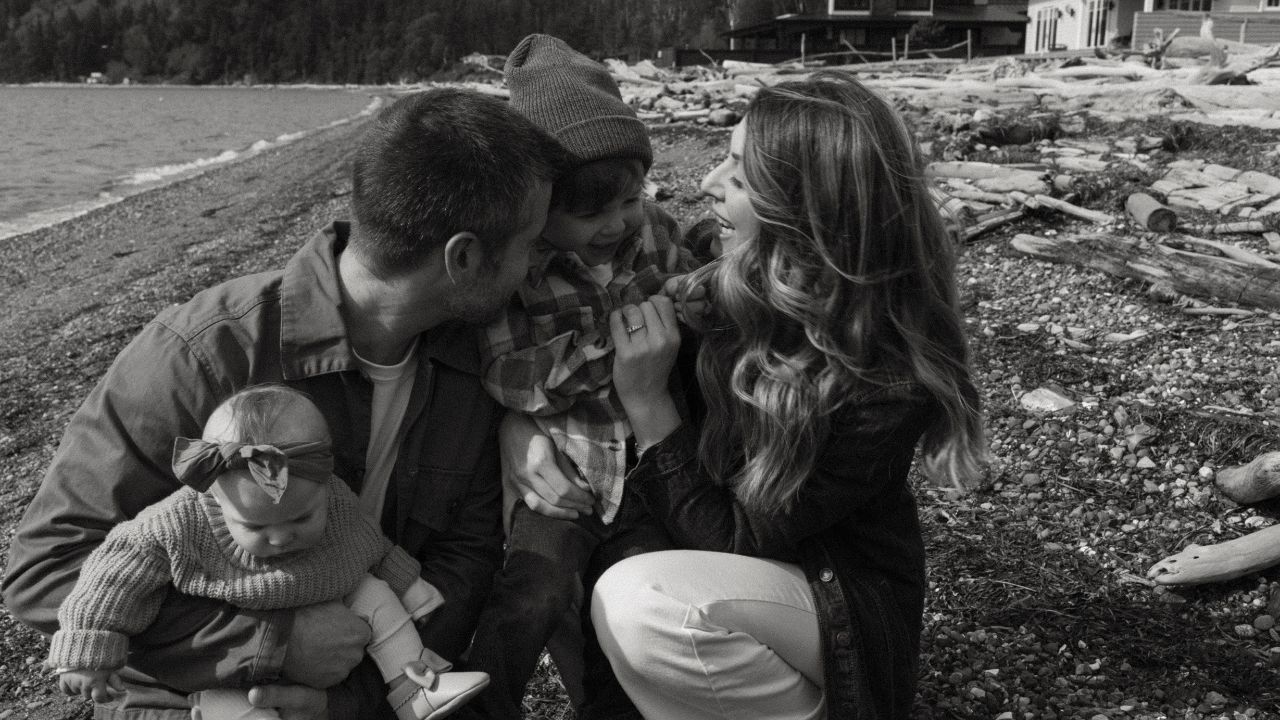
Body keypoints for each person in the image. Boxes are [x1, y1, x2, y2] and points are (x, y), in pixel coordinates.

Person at [3, 87, 566, 720]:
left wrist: (350, 699)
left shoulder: (469, 368)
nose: (540, 264)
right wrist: (268, 645)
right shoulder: (205, 354)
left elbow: (463, 559)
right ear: (462, 257)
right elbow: (46, 570)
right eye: (531, 245)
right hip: (187, 702)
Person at [529, 70, 981, 719]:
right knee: (557, 545)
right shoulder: (721, 283)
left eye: (738, 176)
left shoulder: (884, 381)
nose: (708, 184)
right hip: (726, 585)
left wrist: (650, 405)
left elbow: (736, 538)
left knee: (642, 601)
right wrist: (520, 431)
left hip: (827, 609)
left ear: (805, 212)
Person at [465, 34, 699, 719]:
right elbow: (507, 375)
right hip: (564, 479)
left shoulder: (652, 231)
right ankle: (482, 705)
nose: (615, 224)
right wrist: (609, 351)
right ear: (540, 208)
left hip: (648, 475)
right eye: (589, 212)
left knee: (628, 617)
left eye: (628, 198)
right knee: (530, 596)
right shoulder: (524, 270)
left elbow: (692, 278)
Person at [49, 385, 490, 720]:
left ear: (324, 487)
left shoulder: (335, 501)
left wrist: (409, 586)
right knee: (233, 707)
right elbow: (111, 578)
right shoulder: (175, 524)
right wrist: (88, 651)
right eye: (255, 526)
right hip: (231, 652)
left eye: (300, 519)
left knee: (374, 593)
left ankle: (414, 689)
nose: (280, 538)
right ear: (215, 497)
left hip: (326, 601)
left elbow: (367, 541)